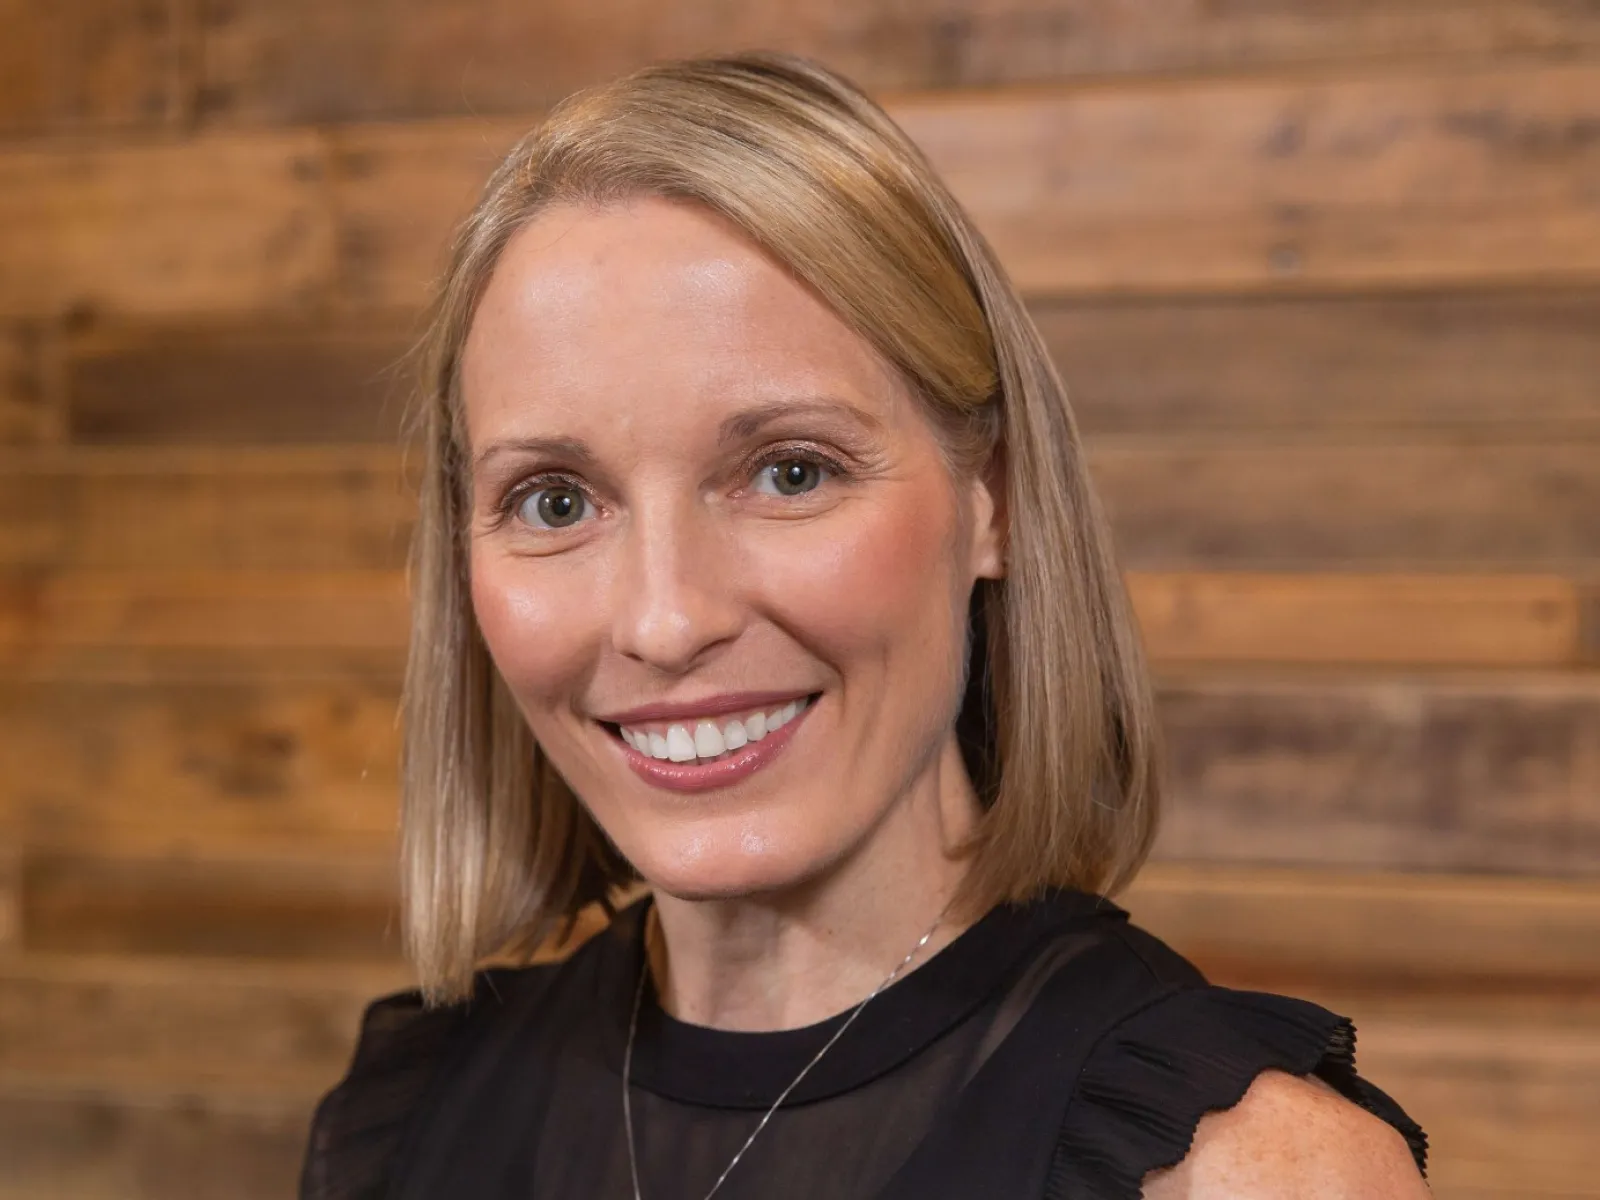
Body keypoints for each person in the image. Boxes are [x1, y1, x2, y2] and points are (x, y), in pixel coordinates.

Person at [300, 52, 1430, 1200]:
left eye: (789, 472)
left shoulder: (1246, 1173)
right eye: (554, 502)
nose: (664, 619)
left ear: (993, 500)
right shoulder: (400, 1121)